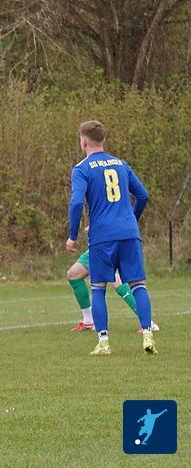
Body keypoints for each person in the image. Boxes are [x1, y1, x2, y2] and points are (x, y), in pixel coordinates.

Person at [67, 120, 155, 355]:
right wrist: (131, 220)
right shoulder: (121, 164)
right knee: (138, 284)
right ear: (103, 140)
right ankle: (148, 334)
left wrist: (72, 236)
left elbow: (76, 203)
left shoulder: (82, 169)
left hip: (102, 236)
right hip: (129, 233)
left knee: (98, 287)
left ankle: (104, 342)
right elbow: (143, 195)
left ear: (84, 141)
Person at [66, 249, 158, 332]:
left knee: (116, 280)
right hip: (97, 244)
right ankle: (88, 321)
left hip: (106, 243)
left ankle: (148, 323)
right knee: (74, 274)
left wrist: (72, 238)